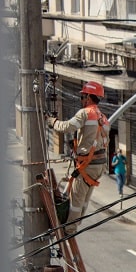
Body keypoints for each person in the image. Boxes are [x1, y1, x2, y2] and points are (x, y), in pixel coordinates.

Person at [47, 81, 110, 235]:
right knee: (84, 197)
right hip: (99, 165)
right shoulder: (103, 117)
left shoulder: (85, 113)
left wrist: (52, 122)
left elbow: (67, 126)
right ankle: (76, 222)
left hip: (87, 164)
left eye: (83, 96)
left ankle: (69, 230)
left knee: (76, 199)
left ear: (88, 97)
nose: (81, 99)